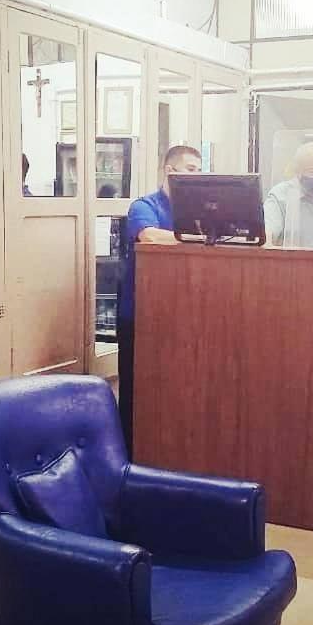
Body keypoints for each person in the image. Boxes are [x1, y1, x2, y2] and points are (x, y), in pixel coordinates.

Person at [116, 144, 202, 454]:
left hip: (180, 315)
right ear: (170, 170)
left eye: (199, 171)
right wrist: (198, 238)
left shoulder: (196, 210)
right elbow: (150, 236)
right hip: (139, 314)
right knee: (135, 391)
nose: (196, 176)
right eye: (191, 169)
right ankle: (126, 455)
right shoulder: (144, 205)